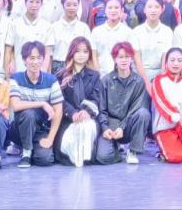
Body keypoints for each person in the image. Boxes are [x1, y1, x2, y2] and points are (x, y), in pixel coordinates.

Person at [8, 41, 63, 168]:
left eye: (39, 58)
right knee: (29, 114)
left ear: (43, 59)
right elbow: (16, 105)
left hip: (40, 129)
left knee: (45, 160)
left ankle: (32, 149)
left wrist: (50, 139)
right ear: (24, 60)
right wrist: (42, 103)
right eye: (31, 58)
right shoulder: (16, 79)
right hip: (18, 129)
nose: (35, 62)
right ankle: (26, 153)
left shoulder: (51, 80)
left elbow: (58, 111)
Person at [96, 43, 151, 165]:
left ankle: (133, 151)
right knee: (103, 157)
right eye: (120, 57)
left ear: (131, 58)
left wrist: (122, 127)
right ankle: (115, 148)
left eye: (127, 57)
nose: (124, 60)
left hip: (129, 124)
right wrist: (105, 128)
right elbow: (101, 109)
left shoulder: (139, 81)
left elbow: (137, 108)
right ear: (114, 59)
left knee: (143, 113)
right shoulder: (106, 81)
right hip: (111, 126)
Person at [55, 36, 104, 166]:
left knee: (87, 129)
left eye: (85, 51)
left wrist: (86, 111)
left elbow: (96, 98)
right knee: (65, 153)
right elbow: (59, 99)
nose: (81, 55)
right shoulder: (60, 75)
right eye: (77, 51)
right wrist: (72, 113)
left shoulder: (94, 75)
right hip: (67, 118)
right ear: (72, 52)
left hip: (88, 117)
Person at [152, 47, 182, 164]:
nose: (176, 63)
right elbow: (162, 104)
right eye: (172, 60)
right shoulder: (158, 80)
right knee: (176, 157)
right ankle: (165, 150)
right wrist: (179, 117)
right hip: (164, 128)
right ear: (166, 62)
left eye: (179, 60)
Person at [130, 0, 175, 90]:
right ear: (144, 9)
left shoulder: (167, 32)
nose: (153, 10)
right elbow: (137, 61)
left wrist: (160, 82)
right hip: (138, 77)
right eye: (149, 7)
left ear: (162, 9)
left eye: (157, 7)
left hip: (160, 75)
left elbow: (165, 60)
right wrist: (147, 83)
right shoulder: (136, 32)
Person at [7, 0, 52, 76]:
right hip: (19, 70)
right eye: (31, 1)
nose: (34, 5)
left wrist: (43, 72)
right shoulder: (15, 24)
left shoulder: (47, 26)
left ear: (41, 4)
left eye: (37, 2)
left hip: (39, 73)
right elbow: (9, 48)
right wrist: (12, 60)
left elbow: (48, 52)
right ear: (25, 2)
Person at [90, 0, 132, 77]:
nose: (113, 10)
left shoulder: (128, 32)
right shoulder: (96, 32)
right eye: (110, 8)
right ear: (105, 10)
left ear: (122, 10)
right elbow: (94, 56)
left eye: (116, 8)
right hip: (101, 76)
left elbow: (130, 57)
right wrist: (98, 76)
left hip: (122, 78)